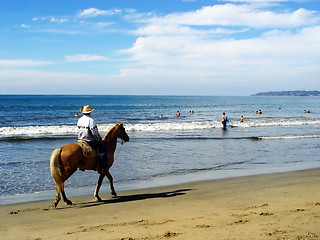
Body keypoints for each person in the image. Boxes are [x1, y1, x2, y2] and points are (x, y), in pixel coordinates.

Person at [77, 105, 107, 172]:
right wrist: (99, 137)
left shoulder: (80, 119)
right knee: (104, 150)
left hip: (80, 140)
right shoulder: (91, 120)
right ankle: (100, 167)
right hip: (89, 140)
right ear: (90, 112)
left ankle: (82, 166)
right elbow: (94, 131)